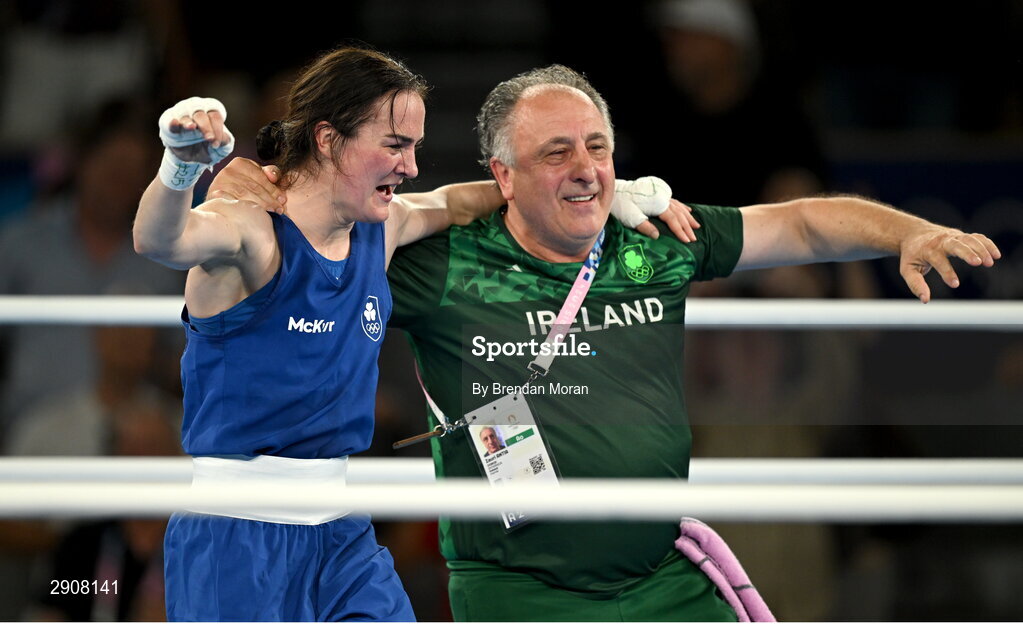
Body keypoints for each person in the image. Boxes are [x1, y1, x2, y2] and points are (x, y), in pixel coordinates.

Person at [213, 64, 999, 621]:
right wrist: (253, 187)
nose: (585, 169)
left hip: (664, 580)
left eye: (597, 147)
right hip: (517, 594)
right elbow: (332, 223)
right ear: (503, 174)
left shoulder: (654, 239)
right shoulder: (436, 261)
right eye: (556, 152)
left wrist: (909, 230)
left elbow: (797, 223)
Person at [131, 46, 515, 621]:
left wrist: (589, 194)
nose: (410, 166)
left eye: (414, 147)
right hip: (236, 537)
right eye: (394, 145)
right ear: (329, 139)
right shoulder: (250, 231)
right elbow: (160, 240)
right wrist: (179, 167)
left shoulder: (380, 231)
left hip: (342, 535)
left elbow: (456, 202)